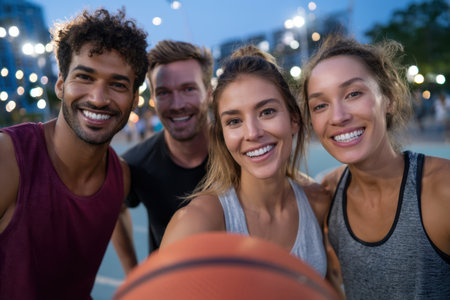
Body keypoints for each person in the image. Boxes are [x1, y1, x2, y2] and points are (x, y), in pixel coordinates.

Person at [0, 8, 148, 300]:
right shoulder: (9, 158)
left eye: (118, 84)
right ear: (60, 84)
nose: (98, 98)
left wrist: (136, 277)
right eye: (84, 77)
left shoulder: (121, 176)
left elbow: (115, 212)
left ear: (134, 99)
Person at [160, 45, 330, 278]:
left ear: (293, 119)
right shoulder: (196, 223)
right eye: (234, 121)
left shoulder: (317, 202)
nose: (252, 133)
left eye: (267, 112)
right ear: (222, 135)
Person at [300, 35, 450, 299]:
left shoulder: (442, 189)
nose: (338, 116)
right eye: (320, 105)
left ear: (389, 99)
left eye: (353, 93)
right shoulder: (327, 193)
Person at [111, 40, 213, 274]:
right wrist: (132, 273)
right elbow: (116, 209)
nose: (177, 105)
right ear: (154, 99)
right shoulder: (136, 163)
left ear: (208, 94)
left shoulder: (238, 151)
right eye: (164, 92)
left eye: (189, 89)